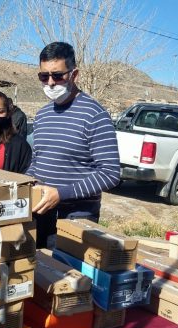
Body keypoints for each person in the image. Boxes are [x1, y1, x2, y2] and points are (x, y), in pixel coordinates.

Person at [27, 42, 120, 248]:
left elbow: (110, 173)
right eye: (44, 76)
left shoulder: (95, 115)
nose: (50, 83)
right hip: (39, 214)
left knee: (70, 278)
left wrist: (61, 194)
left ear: (74, 74)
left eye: (57, 75)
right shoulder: (42, 115)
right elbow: (37, 160)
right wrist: (27, 181)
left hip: (76, 219)